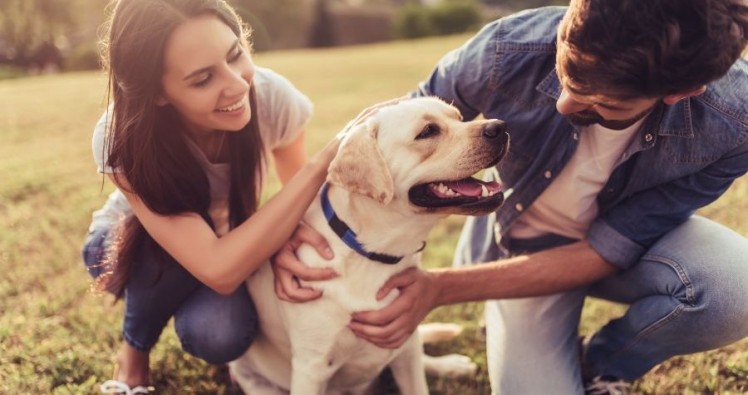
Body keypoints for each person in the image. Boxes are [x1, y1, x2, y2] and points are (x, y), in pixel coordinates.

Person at [272, 0, 748, 393]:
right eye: (566, 73)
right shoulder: (509, 46)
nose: (565, 105)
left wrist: (440, 288)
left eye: (603, 103)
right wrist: (296, 228)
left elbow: (614, 245)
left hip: (625, 250)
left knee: (736, 288)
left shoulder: (735, 122)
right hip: (516, 242)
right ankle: (534, 343)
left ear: (681, 92)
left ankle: (601, 363)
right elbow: (393, 125)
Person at [81, 0, 345, 392]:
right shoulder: (122, 137)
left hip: (222, 245)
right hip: (129, 248)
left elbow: (302, 209)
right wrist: (322, 163)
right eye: (203, 79)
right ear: (158, 93)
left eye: (235, 54)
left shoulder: (271, 97)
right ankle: (133, 353)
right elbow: (218, 269)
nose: (238, 84)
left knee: (220, 333)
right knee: (172, 249)